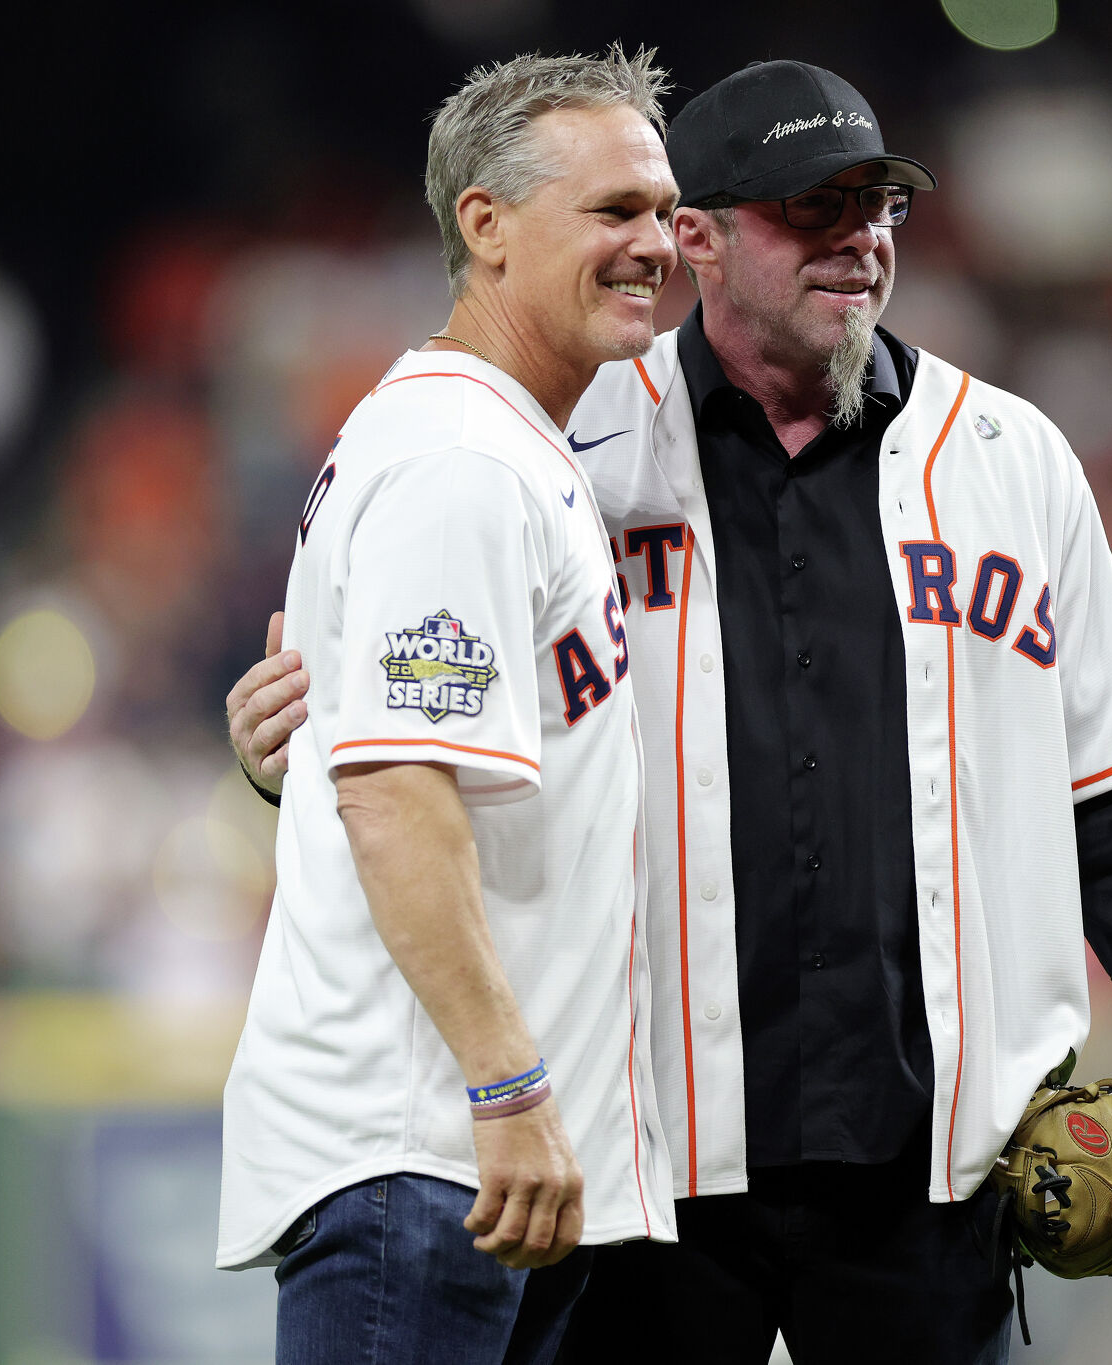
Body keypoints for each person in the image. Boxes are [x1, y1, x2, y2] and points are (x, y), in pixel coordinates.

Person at [228, 60, 1112, 1365]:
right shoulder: (565, 443)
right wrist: (292, 749)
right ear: (696, 238)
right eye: (812, 209)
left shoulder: (1008, 459)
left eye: (878, 205)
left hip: (929, 1166)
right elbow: (423, 716)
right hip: (649, 1171)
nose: (859, 240)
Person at [215, 47, 682, 1365]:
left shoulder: (499, 444)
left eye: (660, 209)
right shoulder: (461, 462)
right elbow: (396, 794)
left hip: (468, 1163)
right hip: (429, 1158)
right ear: (484, 224)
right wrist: (508, 1082)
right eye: (612, 211)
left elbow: (363, 760)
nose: (653, 242)